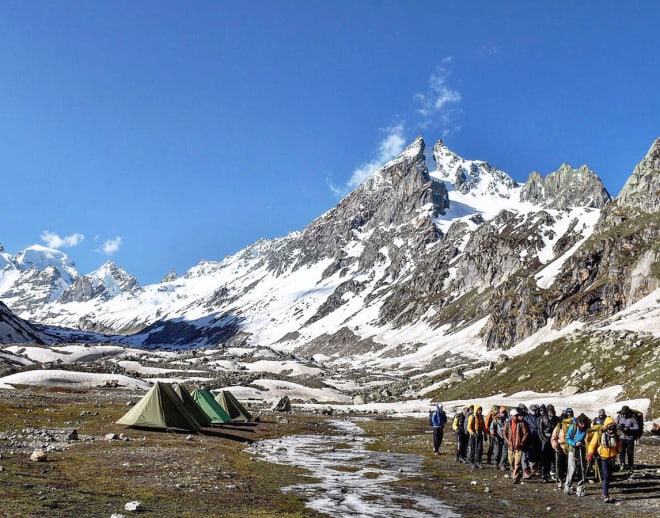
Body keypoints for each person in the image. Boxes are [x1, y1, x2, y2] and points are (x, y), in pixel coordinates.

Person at [588, 417, 622, 503]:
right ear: (606, 427)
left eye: (612, 429)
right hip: (602, 458)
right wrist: (590, 453)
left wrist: (620, 451)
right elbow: (592, 444)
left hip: (612, 458)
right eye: (609, 428)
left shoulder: (615, 435)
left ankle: (604, 491)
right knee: (606, 476)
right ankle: (606, 495)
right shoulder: (599, 434)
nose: (611, 430)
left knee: (610, 476)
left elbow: (618, 445)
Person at [564, 413, 589, 495]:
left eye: (584, 423)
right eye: (581, 423)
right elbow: (567, 439)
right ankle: (567, 486)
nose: (583, 425)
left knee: (581, 469)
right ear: (578, 422)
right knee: (572, 469)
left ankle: (580, 489)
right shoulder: (573, 427)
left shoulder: (586, 428)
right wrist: (575, 443)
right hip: (573, 450)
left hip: (581, 449)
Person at [504, 409, 529, 484]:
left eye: (517, 415)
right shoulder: (508, 424)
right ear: (511, 416)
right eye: (515, 415)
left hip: (519, 446)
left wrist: (522, 442)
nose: (517, 416)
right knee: (511, 462)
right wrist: (507, 441)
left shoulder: (521, 424)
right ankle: (513, 473)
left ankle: (516, 477)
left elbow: (526, 433)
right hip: (510, 446)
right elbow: (504, 433)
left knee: (517, 463)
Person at [615, 405, 639, 474]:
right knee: (621, 452)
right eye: (623, 414)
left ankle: (630, 466)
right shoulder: (619, 417)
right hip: (621, 437)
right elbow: (614, 425)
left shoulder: (632, 418)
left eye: (625, 414)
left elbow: (637, 427)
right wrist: (619, 427)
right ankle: (622, 464)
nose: (624, 415)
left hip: (630, 438)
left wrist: (629, 428)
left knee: (630, 452)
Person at [539, 404, 559, 482]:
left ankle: (554, 474)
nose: (551, 413)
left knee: (554, 459)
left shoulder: (557, 419)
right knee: (545, 459)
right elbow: (540, 431)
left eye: (552, 411)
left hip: (554, 440)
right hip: (545, 441)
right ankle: (544, 476)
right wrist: (544, 440)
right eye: (549, 412)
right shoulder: (543, 419)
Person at [467, 404, 487, 469]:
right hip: (473, 435)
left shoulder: (481, 417)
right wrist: (472, 433)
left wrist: (485, 433)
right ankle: (472, 462)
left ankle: (478, 462)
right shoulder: (471, 417)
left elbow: (483, 426)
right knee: (473, 449)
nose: (480, 411)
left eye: (480, 410)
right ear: (476, 410)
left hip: (480, 434)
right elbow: (468, 427)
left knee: (479, 449)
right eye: (479, 410)